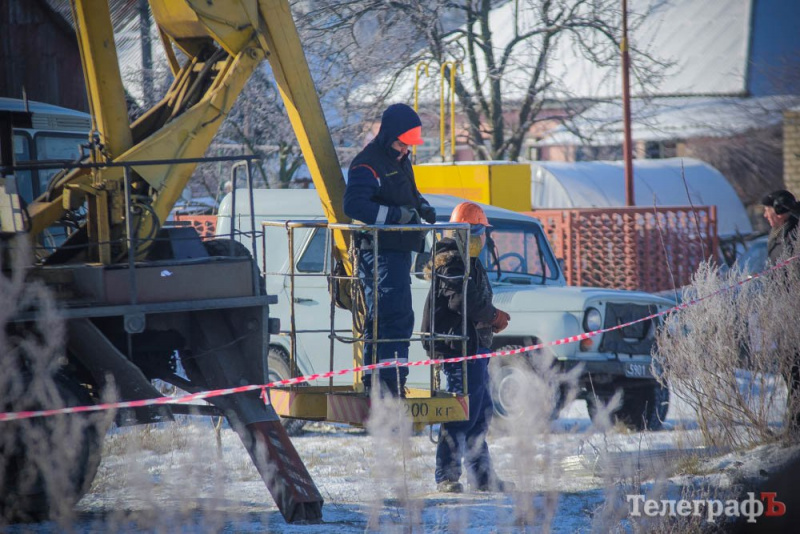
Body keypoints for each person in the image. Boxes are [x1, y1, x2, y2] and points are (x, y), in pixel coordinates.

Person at [343, 103, 436, 396]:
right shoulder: (367, 163)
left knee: (396, 317)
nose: (406, 149)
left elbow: (408, 191)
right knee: (390, 317)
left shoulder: (399, 160)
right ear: (388, 136)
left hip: (397, 252)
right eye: (401, 143)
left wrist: (421, 206)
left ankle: (390, 382)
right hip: (379, 253)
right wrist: (396, 216)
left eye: (409, 145)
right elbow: (354, 205)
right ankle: (386, 386)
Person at [421, 201, 514, 493]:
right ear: (466, 233)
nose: (482, 238)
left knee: (480, 413)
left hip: (474, 348)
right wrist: (493, 315)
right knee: (461, 413)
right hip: (457, 349)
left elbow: (474, 301)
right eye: (478, 232)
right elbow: (463, 301)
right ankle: (446, 476)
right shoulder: (451, 262)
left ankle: (483, 477)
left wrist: (491, 316)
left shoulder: (468, 261)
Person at [761, 189, 800, 430]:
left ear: (780, 211)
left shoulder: (794, 230)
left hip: (795, 308)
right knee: (789, 369)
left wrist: (794, 210)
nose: (766, 216)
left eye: (768, 210)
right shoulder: (776, 234)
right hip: (784, 310)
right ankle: (794, 423)